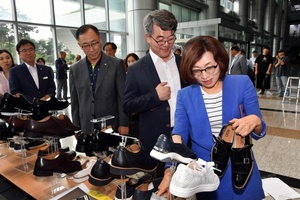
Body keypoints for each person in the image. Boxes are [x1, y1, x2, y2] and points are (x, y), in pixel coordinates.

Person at [157, 36, 266, 199]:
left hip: (240, 170)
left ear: (220, 61)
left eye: (210, 67)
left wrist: (255, 121)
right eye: (197, 70)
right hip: (204, 174)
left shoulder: (242, 84)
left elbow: (260, 129)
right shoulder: (185, 95)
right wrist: (169, 169)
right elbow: (179, 133)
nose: (205, 75)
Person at [123, 9, 185, 176]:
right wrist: (154, 97)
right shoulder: (136, 69)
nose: (166, 44)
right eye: (160, 40)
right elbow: (127, 105)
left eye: (170, 39)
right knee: (158, 186)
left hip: (186, 136)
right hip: (155, 140)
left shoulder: (184, 63)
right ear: (148, 38)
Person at [69, 24, 128, 136]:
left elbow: (122, 97)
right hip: (86, 126)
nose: (91, 49)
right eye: (85, 45)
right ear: (80, 45)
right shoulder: (74, 69)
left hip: (111, 124)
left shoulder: (116, 64)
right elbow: (75, 100)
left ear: (100, 39)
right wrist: (76, 127)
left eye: (94, 43)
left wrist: (124, 123)